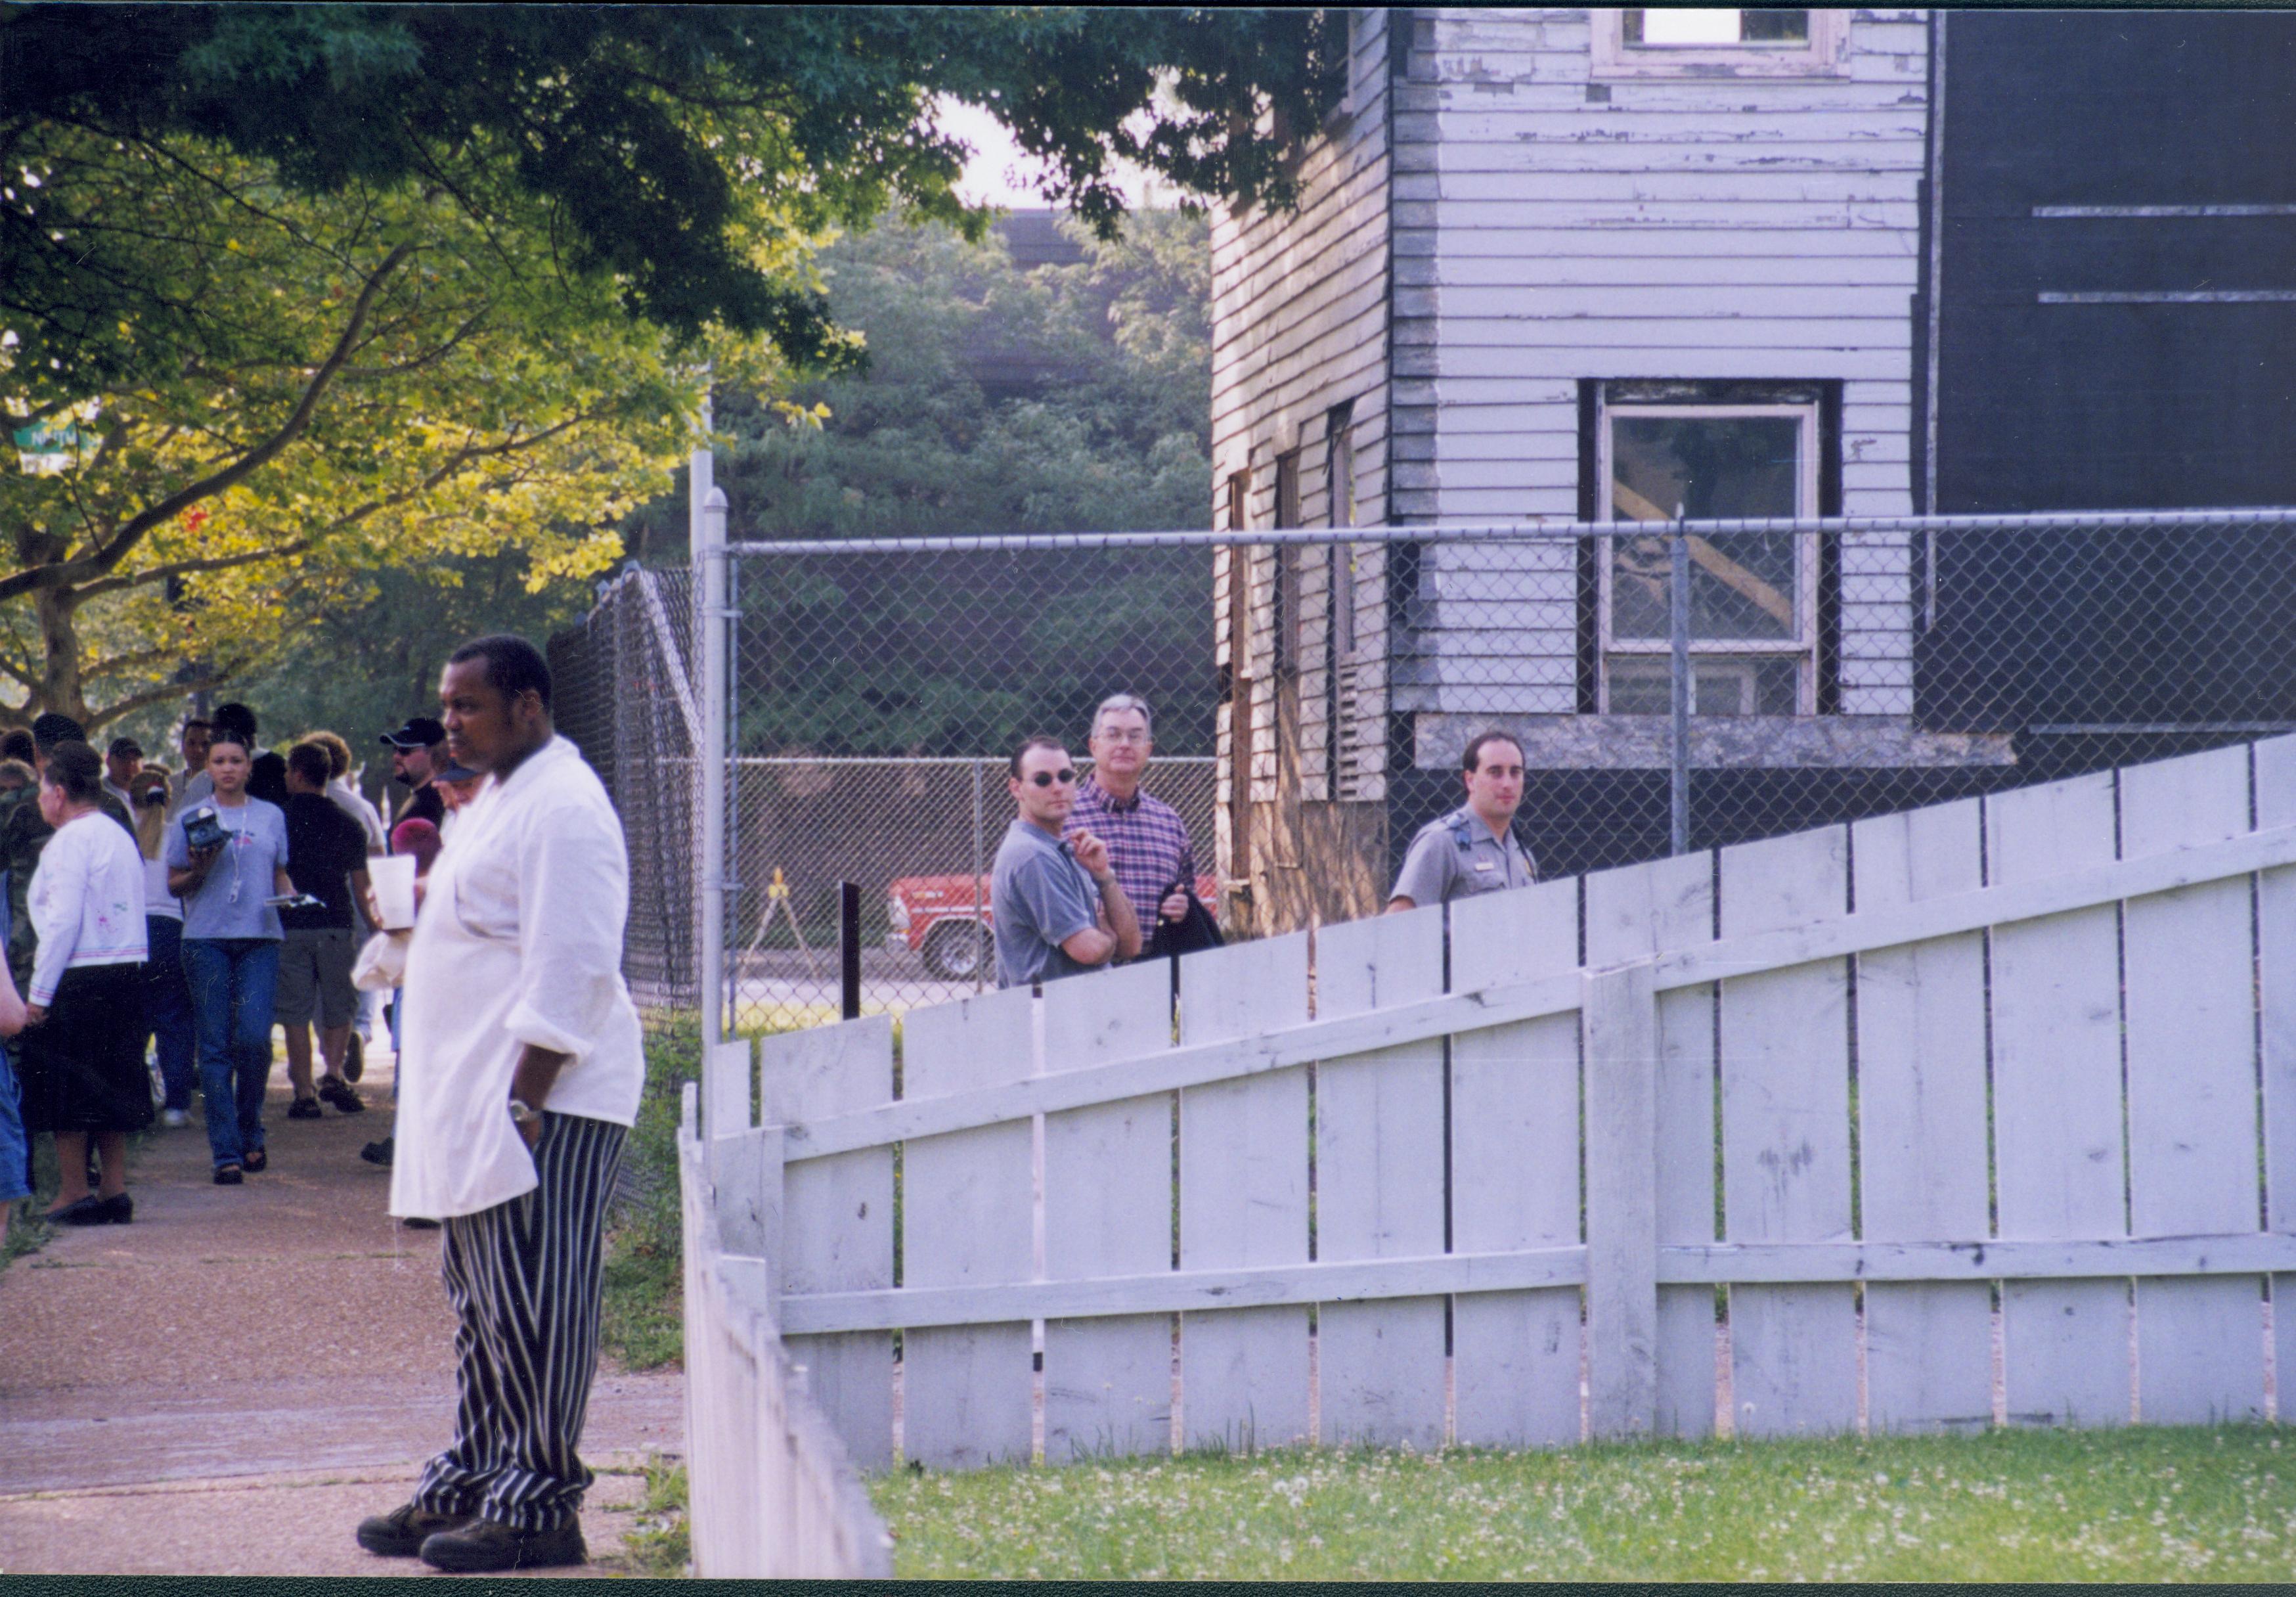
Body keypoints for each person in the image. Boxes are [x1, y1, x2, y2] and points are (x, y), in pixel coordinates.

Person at [356, 635, 644, 1573]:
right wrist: (413, 907)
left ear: (527, 704)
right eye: (446, 705)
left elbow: (576, 961)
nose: (449, 722)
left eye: (467, 705)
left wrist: (523, 1103)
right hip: (485, 1099)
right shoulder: (496, 799)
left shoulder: (565, 804)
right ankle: (475, 1476)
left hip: (548, 1097)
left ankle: (540, 1505)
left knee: (538, 1301)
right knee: (484, 1302)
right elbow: (479, 910)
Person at [19, 741, 150, 1225]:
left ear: (58, 792)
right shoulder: (116, 832)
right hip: (125, 968)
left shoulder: (71, 841)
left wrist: (38, 994)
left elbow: (62, 921)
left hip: (80, 973)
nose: (38, 798)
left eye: (41, 789)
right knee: (115, 1081)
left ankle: (73, 1190)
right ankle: (114, 1189)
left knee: (67, 1086)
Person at [167, 727, 294, 1184]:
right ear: (208, 768)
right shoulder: (192, 816)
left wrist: (292, 898)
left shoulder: (272, 816)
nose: (227, 768)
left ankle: (250, 1124)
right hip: (206, 939)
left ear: (249, 767)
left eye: (235, 760)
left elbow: (279, 873)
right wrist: (200, 865)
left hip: (260, 937)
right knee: (215, 1046)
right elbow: (175, 883)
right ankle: (227, 1152)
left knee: (255, 1038)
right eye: (218, 761)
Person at [276, 742, 380, 1121]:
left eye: (289, 771)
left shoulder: (279, 820)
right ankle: (334, 1073)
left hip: (291, 925)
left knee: (296, 1012)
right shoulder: (348, 823)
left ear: (299, 775)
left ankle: (304, 1092)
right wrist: (375, 929)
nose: (286, 777)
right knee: (339, 1005)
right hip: (337, 923)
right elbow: (362, 885)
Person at [989, 736, 1140, 989]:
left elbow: (1132, 944)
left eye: (1065, 776)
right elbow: (1089, 950)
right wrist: (1108, 935)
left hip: (1075, 1012)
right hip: (1047, 1017)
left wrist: (1104, 876)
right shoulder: (1031, 856)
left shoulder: (1063, 850)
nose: (1057, 787)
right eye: (1043, 780)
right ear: (1016, 788)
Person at [1063, 693, 1201, 948]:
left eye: (1135, 736)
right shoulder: (1064, 817)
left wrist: (1183, 906)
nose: (1124, 744)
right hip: (1083, 970)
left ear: (1148, 749)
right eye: (1113, 735)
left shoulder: (1169, 823)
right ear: (1093, 746)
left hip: (1154, 969)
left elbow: (1188, 891)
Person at [1386, 731, 1537, 912]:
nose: (1507, 783)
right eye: (1495, 773)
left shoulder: (1521, 853)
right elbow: (1399, 923)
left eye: (1515, 773)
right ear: (1470, 780)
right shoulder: (1441, 843)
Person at [129, 767, 197, 1128]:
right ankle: (177, 1103)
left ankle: (135, 1101)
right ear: (168, 799)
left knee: (134, 1021)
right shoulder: (176, 838)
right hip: (171, 932)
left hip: (132, 935)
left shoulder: (124, 839)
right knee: (175, 1020)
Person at [380, 716, 449, 834]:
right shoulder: (421, 800)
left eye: (405, 750)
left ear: (433, 753)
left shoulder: (433, 805)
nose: (396, 757)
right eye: (395, 749)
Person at [171, 717, 213, 812]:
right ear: (182, 746)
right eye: (191, 743)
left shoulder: (222, 786)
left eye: (205, 744)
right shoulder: (170, 786)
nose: (198, 750)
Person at [101, 736, 142, 812]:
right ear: (109, 762)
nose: (130, 764)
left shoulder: (147, 795)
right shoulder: (101, 794)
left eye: (135, 759)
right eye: (124, 758)